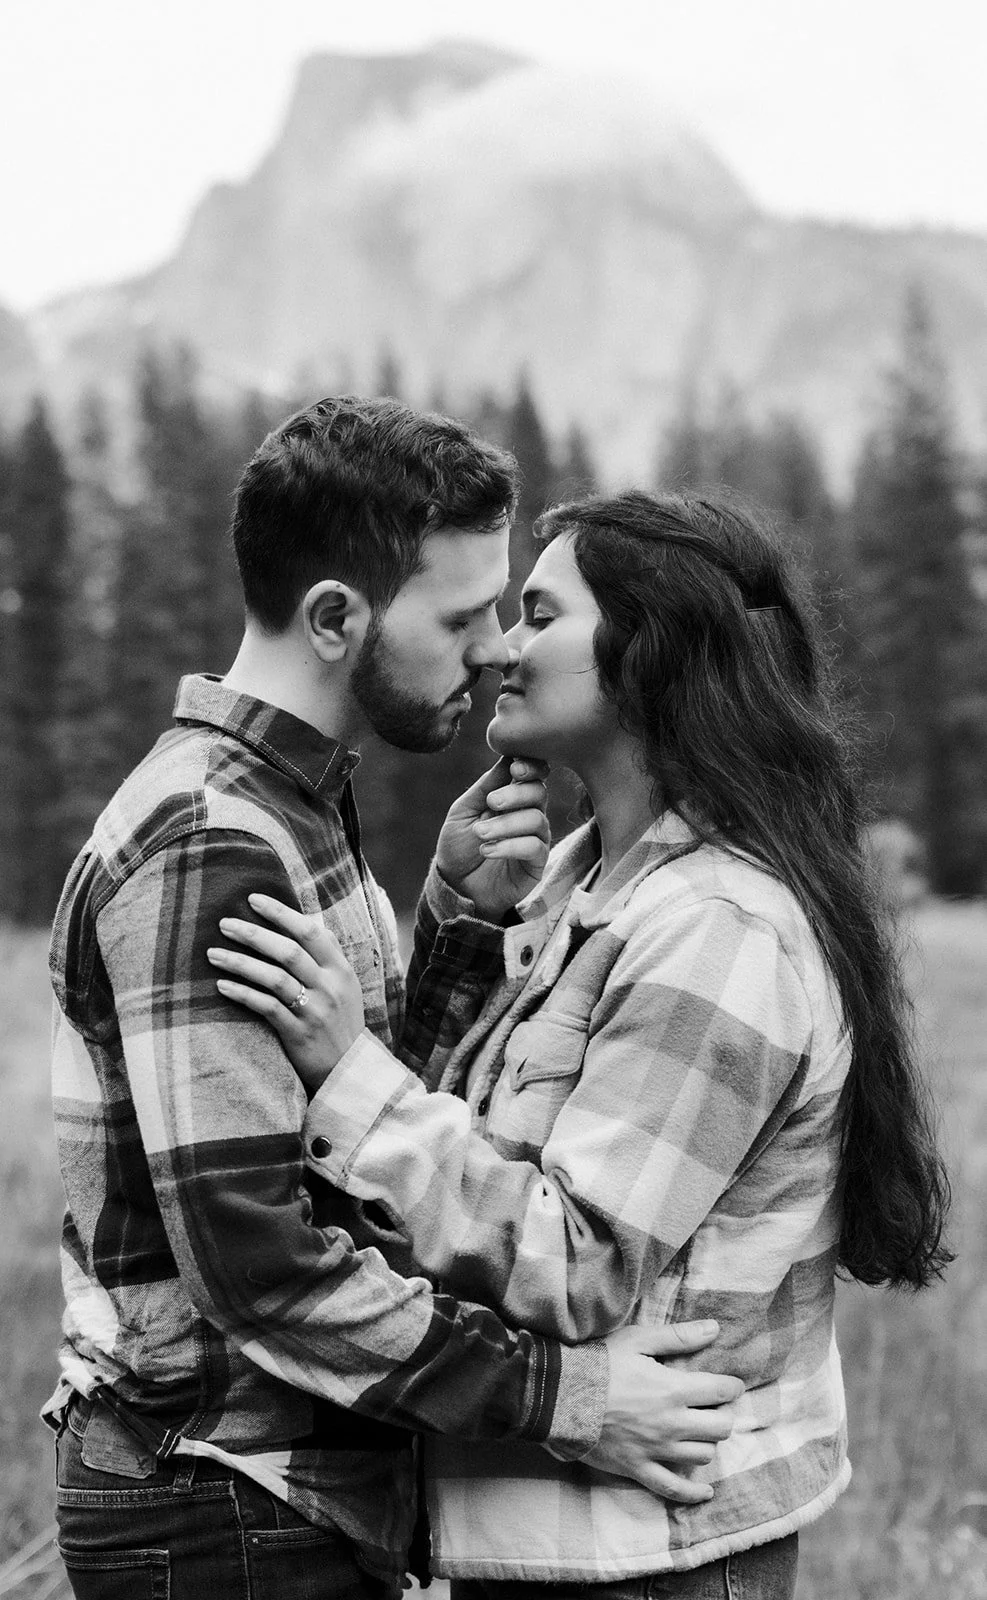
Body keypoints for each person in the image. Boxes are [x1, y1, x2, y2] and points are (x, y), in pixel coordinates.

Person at [46, 406, 745, 1600]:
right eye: (461, 617)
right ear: (334, 618)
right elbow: (260, 1268)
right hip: (226, 1494)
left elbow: (337, 1133)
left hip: (270, 1493)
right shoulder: (211, 843)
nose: (495, 650)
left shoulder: (289, 804)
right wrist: (566, 1399)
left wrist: (457, 924)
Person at [211, 487, 952, 1599]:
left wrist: (346, 1070)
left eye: (541, 614)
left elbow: (575, 1258)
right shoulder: (580, 883)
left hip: (647, 1553)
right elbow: (464, 1168)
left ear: (648, 653)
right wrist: (465, 922)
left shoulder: (716, 931)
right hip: (559, 1533)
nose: (500, 647)